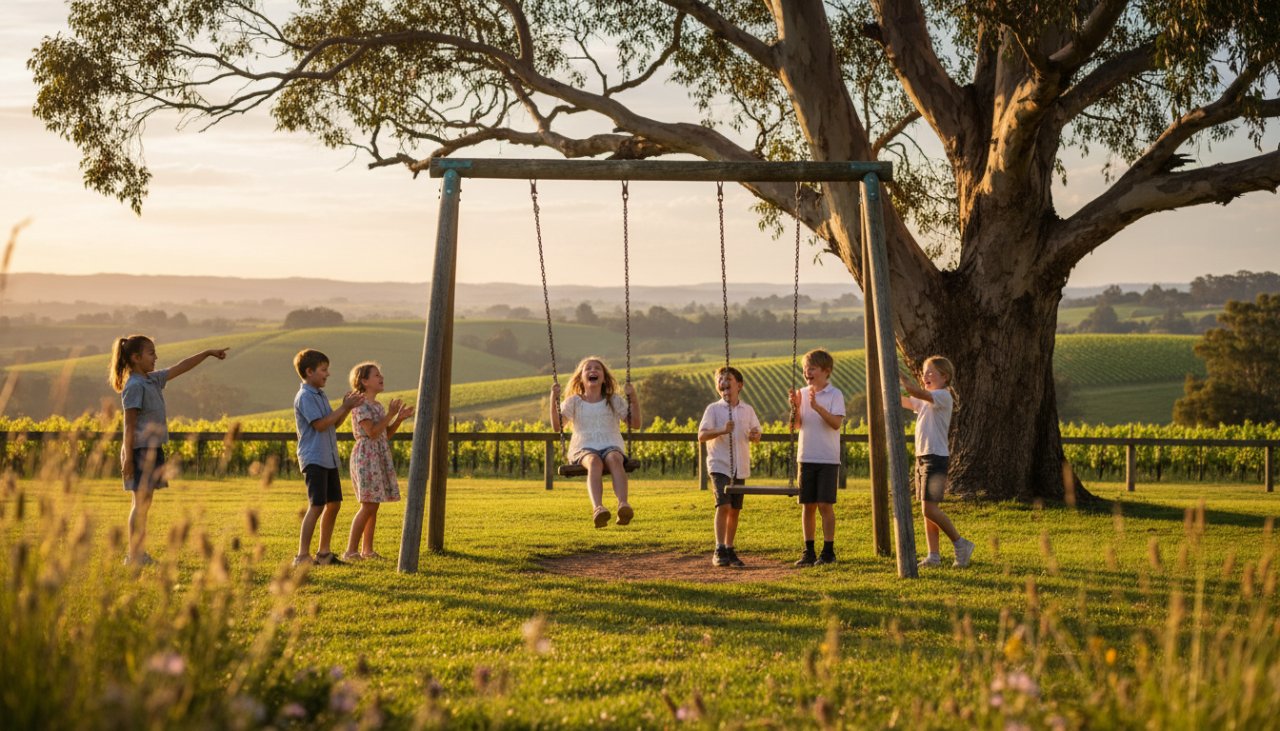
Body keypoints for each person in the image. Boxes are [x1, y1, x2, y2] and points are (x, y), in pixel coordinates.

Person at [109, 335, 229, 567]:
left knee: (145, 503)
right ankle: (134, 555)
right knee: (140, 503)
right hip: (140, 450)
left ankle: (138, 554)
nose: (156, 358)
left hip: (152, 449)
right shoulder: (134, 386)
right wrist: (128, 458)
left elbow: (181, 367)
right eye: (151, 353)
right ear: (136, 358)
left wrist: (207, 352)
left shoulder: (151, 380)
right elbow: (129, 425)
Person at [900, 356, 976, 568]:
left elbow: (915, 393)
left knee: (929, 509)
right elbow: (906, 401)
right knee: (927, 510)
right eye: (924, 372)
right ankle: (934, 556)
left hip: (936, 457)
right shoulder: (927, 399)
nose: (925, 376)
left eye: (931, 373)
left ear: (945, 377)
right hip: (922, 457)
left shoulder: (943, 396)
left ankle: (961, 544)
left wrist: (900, 377)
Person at [550, 356, 641, 528]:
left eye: (597, 368)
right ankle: (598, 508)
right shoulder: (574, 402)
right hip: (583, 448)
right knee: (594, 461)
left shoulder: (613, 400)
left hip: (611, 444)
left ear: (604, 378)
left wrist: (633, 396)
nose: (593, 370)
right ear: (581, 378)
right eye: (588, 368)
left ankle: (623, 505)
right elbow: (557, 426)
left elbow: (635, 423)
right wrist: (552, 398)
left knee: (615, 458)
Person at [292, 348, 363, 568]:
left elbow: (332, 423)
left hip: (328, 457)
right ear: (310, 371)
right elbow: (321, 425)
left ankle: (324, 554)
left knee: (334, 504)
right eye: (324, 370)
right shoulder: (305, 397)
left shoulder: (319, 395)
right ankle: (302, 556)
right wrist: (344, 406)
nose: (328, 374)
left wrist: (346, 408)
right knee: (317, 505)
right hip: (314, 457)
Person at [342, 362, 413, 561]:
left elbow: (385, 434)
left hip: (378, 454)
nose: (381, 377)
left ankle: (367, 550)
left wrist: (398, 419)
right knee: (368, 505)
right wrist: (390, 414)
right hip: (366, 457)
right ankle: (350, 551)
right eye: (376, 375)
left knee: (374, 504)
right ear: (364, 381)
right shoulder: (360, 405)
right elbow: (371, 432)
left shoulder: (377, 406)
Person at [698, 366, 762, 567]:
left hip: (740, 466)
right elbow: (701, 436)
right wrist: (721, 430)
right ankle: (719, 548)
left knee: (734, 509)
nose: (724, 383)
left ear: (739, 385)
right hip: (720, 464)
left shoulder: (747, 410)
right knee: (723, 505)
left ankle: (730, 548)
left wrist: (754, 436)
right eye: (720, 381)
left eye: (728, 380)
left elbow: (756, 433)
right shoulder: (713, 409)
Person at [789, 349, 846, 567]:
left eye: (811, 368)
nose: (806, 372)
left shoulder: (835, 395)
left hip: (828, 459)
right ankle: (809, 551)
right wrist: (794, 407)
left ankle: (828, 551)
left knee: (825, 505)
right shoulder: (802, 393)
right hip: (806, 456)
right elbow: (796, 426)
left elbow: (835, 423)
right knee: (808, 505)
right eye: (805, 369)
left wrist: (817, 407)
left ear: (826, 371)